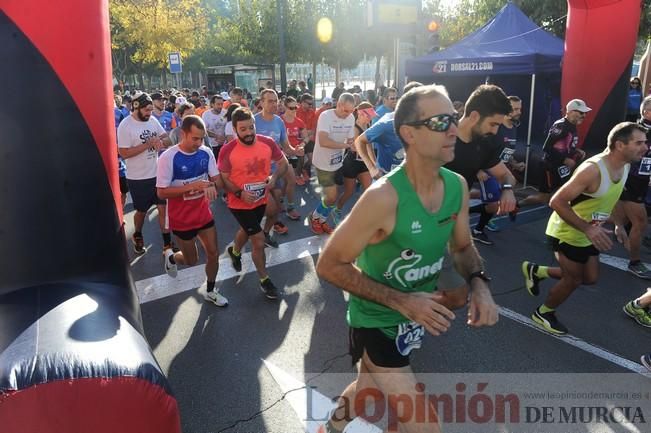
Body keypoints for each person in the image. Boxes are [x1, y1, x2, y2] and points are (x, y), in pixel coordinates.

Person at [315, 84, 498, 433]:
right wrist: (402, 301)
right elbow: (329, 264)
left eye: (453, 119)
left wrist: (479, 283)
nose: (452, 129)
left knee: (366, 391)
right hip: (376, 319)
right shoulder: (383, 198)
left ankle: (329, 429)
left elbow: (461, 248)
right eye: (440, 121)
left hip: (412, 318)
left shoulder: (457, 185)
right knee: (426, 427)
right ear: (409, 134)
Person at [522, 122, 647, 335]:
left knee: (590, 278)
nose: (645, 147)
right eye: (639, 143)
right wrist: (588, 229)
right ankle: (544, 312)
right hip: (567, 231)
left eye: (645, 142)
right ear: (619, 145)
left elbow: (612, 199)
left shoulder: (624, 166)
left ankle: (537, 271)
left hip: (589, 232)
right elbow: (556, 201)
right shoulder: (592, 170)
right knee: (574, 279)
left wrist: (617, 224)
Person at [218, 107, 290, 300]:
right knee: (257, 240)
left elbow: (283, 163)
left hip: (261, 199)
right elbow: (223, 178)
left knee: (248, 230)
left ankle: (234, 251)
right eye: (243, 129)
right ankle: (265, 280)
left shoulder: (268, 143)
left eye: (251, 127)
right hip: (239, 203)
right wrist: (239, 193)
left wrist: (274, 178)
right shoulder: (228, 150)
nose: (249, 132)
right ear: (234, 129)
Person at [156, 115, 228, 307]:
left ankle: (211, 290)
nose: (199, 143)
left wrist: (213, 185)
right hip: (181, 218)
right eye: (194, 138)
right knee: (191, 261)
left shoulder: (206, 153)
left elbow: (216, 181)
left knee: (213, 253)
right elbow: (162, 193)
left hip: (203, 214)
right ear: (182, 134)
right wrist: (192, 186)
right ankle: (172, 256)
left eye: (202, 138)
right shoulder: (168, 157)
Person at [444, 84, 518, 246]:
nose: (495, 131)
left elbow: (507, 176)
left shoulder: (484, 144)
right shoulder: (441, 135)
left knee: (469, 263)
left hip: (454, 218)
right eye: (493, 124)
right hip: (419, 220)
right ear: (475, 116)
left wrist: (506, 189)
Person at [117, 92, 174, 255]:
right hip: (138, 178)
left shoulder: (152, 120)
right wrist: (148, 144)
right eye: (147, 110)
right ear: (136, 107)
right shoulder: (125, 126)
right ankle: (138, 234)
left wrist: (161, 142)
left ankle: (167, 244)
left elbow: (167, 138)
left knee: (163, 209)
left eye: (151, 109)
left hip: (157, 175)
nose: (150, 113)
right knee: (141, 212)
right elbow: (124, 153)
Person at [520, 99, 591, 207]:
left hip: (561, 167)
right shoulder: (561, 126)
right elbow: (546, 147)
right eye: (581, 113)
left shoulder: (572, 125)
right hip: (550, 166)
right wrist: (565, 159)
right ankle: (517, 204)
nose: (584, 115)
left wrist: (576, 150)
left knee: (565, 193)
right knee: (543, 198)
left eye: (585, 113)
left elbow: (564, 146)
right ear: (570, 112)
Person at [613, 96, 651, 279]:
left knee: (615, 218)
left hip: (640, 180)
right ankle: (634, 262)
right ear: (647, 112)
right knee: (640, 222)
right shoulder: (636, 130)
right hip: (631, 181)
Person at [308, 93, 356, 234]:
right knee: (332, 197)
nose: (348, 114)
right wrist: (346, 146)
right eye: (345, 110)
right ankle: (315, 217)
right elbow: (323, 141)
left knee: (331, 197)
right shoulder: (325, 116)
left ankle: (321, 220)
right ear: (339, 104)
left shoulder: (351, 117)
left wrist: (353, 144)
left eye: (351, 111)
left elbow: (350, 139)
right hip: (322, 164)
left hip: (337, 163)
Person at [477, 95, 524, 233]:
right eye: (515, 109)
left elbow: (506, 152)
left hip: (500, 170)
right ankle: (476, 228)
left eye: (520, 108)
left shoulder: (513, 127)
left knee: (510, 184)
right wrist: (478, 170)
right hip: (487, 169)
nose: (518, 112)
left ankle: (486, 218)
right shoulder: (495, 128)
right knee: (493, 205)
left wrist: (514, 164)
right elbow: (479, 149)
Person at [332, 102, 377, 225]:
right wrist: (371, 163)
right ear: (360, 114)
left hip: (363, 164)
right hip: (351, 163)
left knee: (369, 191)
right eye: (368, 115)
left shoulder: (368, 126)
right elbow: (356, 148)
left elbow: (370, 147)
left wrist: (374, 164)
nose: (370, 117)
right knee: (349, 192)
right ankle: (337, 210)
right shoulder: (353, 128)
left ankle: (361, 214)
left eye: (371, 115)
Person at [281, 96, 308, 185]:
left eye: (295, 107)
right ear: (285, 107)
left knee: (301, 151)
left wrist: (302, 145)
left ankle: (297, 175)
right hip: (283, 148)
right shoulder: (279, 120)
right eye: (291, 108)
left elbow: (306, 137)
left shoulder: (299, 121)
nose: (294, 110)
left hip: (295, 148)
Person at [202, 94, 228, 160]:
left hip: (224, 144)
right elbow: (204, 129)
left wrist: (224, 138)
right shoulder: (206, 114)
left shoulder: (225, 113)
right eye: (218, 104)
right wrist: (217, 136)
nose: (220, 106)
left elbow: (228, 127)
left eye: (222, 104)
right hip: (211, 145)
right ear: (212, 104)